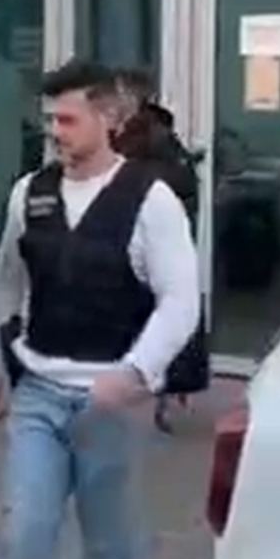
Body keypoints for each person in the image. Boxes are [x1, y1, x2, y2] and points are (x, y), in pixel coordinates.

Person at [0, 60, 199, 559]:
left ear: (108, 119)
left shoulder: (151, 199)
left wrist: (135, 373)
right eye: (49, 120)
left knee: (108, 554)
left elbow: (181, 300)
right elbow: (8, 280)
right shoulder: (30, 193)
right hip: (38, 392)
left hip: (111, 404)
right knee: (24, 544)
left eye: (68, 120)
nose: (55, 132)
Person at [112, 68, 209, 432]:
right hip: (124, 236)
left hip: (141, 240)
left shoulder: (150, 138)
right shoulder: (135, 135)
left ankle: (158, 391)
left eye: (120, 93)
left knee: (158, 311)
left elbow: (175, 185)